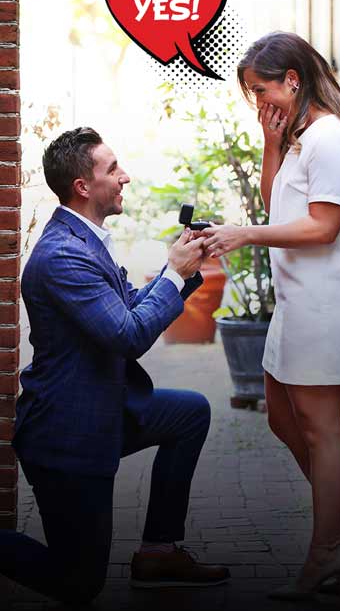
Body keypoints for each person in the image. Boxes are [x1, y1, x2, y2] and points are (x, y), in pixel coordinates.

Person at [0, 127, 230, 605]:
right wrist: (172, 272)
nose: (125, 177)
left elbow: (130, 306)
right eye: (112, 169)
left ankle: (158, 552)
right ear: (83, 186)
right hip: (67, 435)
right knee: (79, 582)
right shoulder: (63, 255)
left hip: (106, 409)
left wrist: (181, 271)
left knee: (190, 413)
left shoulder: (85, 239)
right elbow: (128, 336)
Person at [200, 32, 340, 599]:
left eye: (261, 91)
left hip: (324, 304)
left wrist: (243, 235)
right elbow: (276, 199)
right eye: (252, 93)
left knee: (322, 432)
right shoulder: (300, 136)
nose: (258, 101)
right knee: (281, 417)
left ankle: (326, 548)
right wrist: (269, 141)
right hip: (295, 304)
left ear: (293, 80)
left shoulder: (330, 140)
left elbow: (321, 227)